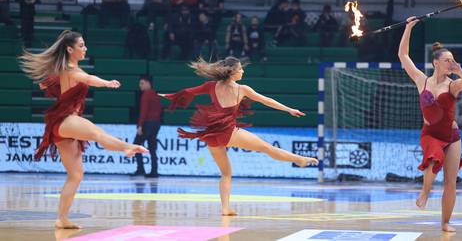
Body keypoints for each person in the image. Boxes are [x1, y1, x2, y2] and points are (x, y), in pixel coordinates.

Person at [18, 30, 148, 229]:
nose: (85, 48)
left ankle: (62, 219)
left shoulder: (65, 69)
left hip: (61, 125)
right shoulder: (71, 70)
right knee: (97, 133)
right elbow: (88, 79)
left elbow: (53, 84)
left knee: (76, 175)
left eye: (84, 45)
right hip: (66, 119)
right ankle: (127, 147)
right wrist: (106, 83)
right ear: (70, 49)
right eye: (81, 46)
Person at [160, 57, 318, 215]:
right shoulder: (242, 89)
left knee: (226, 173)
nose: (243, 71)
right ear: (233, 72)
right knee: (267, 148)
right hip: (229, 132)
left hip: (211, 135)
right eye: (240, 69)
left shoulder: (211, 86)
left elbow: (188, 92)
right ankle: (300, 159)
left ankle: (225, 208)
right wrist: (289, 109)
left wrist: (170, 96)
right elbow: (267, 101)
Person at [398, 17, 462, 233]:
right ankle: (425, 191)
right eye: (447, 60)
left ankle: (445, 222)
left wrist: (460, 71)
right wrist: (409, 27)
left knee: (451, 182)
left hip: (452, 135)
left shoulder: (453, 85)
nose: (451, 62)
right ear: (436, 63)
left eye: (453, 60)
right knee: (431, 159)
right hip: (430, 134)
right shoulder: (422, 80)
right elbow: (403, 55)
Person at [133, 76, 162, 178]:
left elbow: (143, 111)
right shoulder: (155, 94)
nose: (140, 85)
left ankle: (140, 169)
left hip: (147, 124)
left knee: (136, 145)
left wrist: (140, 125)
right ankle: (154, 171)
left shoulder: (146, 94)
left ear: (148, 83)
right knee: (152, 148)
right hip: (156, 124)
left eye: (142, 83)